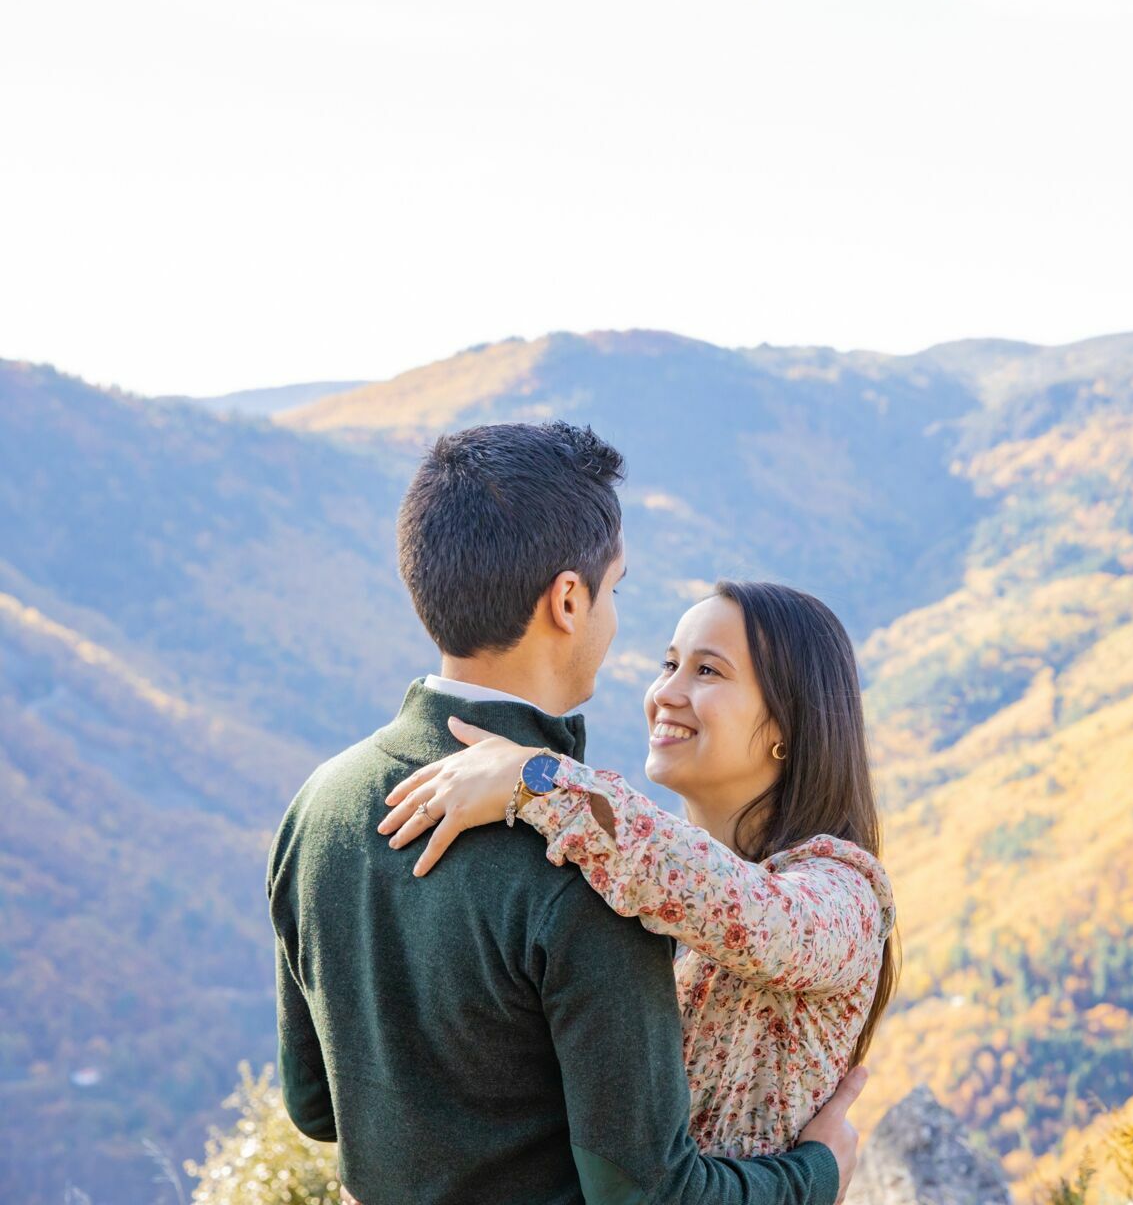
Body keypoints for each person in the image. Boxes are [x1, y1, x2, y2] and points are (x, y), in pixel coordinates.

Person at [268, 422, 863, 1205]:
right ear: (569, 599)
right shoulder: (589, 868)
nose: (659, 678)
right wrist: (818, 1174)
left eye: (706, 669)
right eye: (615, 590)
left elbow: (317, 1107)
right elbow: (647, 1195)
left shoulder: (319, 804)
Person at [376, 578, 899, 1159]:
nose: (666, 692)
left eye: (708, 672)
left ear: (786, 724)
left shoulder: (847, 892)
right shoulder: (624, 874)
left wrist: (541, 779)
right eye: (669, 664)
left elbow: (757, 917)